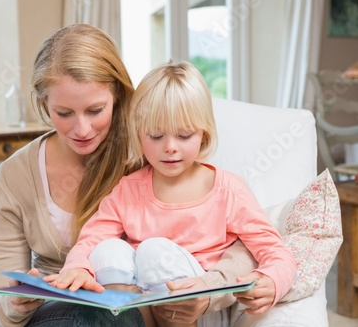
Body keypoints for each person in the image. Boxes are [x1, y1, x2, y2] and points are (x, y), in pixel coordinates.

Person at [0, 24, 258, 327]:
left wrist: (210, 289)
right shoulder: (11, 180)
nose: (82, 129)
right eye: (64, 113)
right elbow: (1, 301)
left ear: (116, 94)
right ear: (43, 104)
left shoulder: (151, 149)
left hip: (141, 310)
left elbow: (228, 235)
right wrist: (17, 302)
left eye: (95, 110)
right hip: (63, 312)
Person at [46, 61, 296, 327]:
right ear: (139, 134)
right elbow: (90, 241)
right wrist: (76, 268)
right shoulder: (128, 190)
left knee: (153, 251)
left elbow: (276, 251)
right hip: (146, 308)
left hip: (201, 309)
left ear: (204, 134)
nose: (170, 148)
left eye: (184, 135)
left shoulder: (227, 189)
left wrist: (271, 281)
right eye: (155, 136)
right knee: (107, 250)